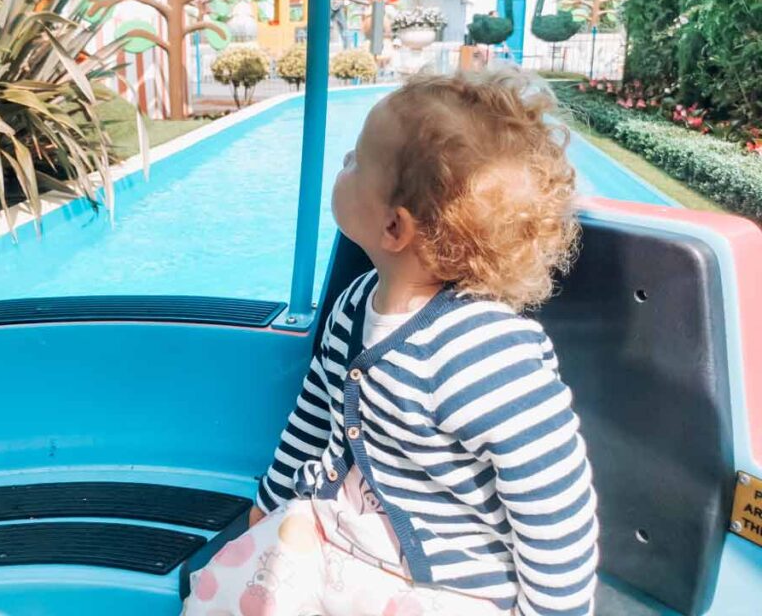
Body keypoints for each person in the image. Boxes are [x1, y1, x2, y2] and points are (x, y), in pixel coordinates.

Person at [183, 70, 598, 616]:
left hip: (448, 584)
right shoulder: (357, 302)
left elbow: (555, 505)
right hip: (339, 535)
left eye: (355, 159)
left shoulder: (486, 353)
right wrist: (269, 505)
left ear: (394, 228)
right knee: (227, 590)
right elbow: (313, 418)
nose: (343, 165)